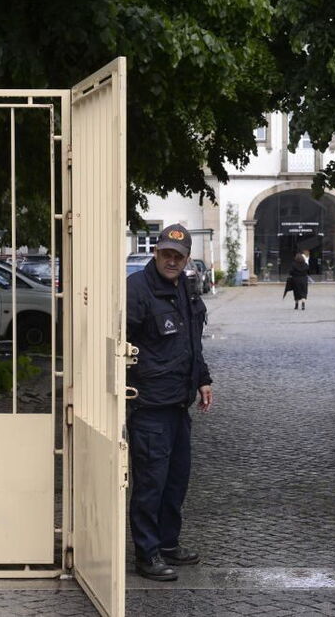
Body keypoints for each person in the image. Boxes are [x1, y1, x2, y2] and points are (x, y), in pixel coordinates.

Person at [126, 223, 213, 582]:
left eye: (178, 256)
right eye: (166, 254)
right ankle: (146, 554)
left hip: (179, 404)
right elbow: (121, 345)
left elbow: (193, 342)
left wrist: (203, 379)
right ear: (156, 253)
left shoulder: (187, 288)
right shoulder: (137, 291)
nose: (172, 261)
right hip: (150, 406)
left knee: (176, 480)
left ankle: (167, 542)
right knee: (150, 483)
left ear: (187, 258)